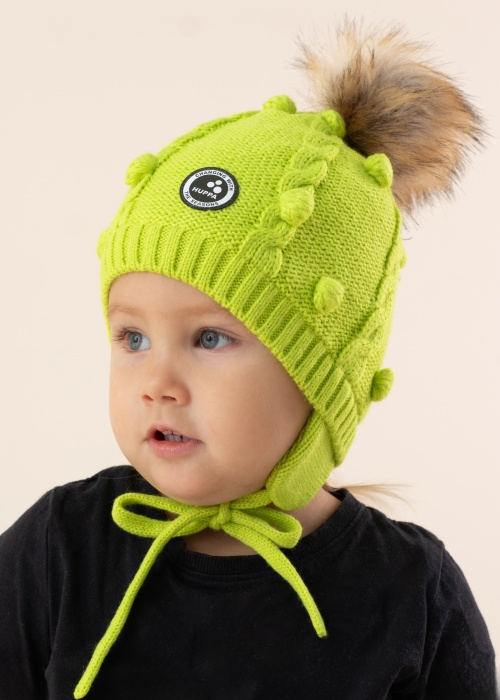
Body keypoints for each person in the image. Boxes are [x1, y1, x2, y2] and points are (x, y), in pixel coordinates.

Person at [0, 22, 496, 700]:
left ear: (322, 378)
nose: (156, 384)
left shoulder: (410, 592)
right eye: (133, 338)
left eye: (209, 339)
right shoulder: (60, 549)